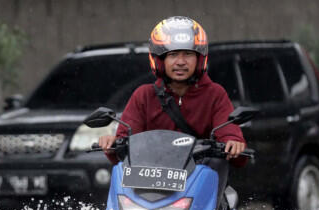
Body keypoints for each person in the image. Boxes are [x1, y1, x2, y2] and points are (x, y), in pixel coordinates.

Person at [98, 16, 247, 166]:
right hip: (148, 183)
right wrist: (113, 145)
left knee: (229, 191)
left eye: (188, 54)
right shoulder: (144, 96)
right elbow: (124, 148)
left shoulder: (215, 94)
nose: (181, 62)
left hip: (201, 182)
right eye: (173, 55)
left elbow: (230, 136)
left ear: (199, 59)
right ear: (160, 61)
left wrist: (234, 143)